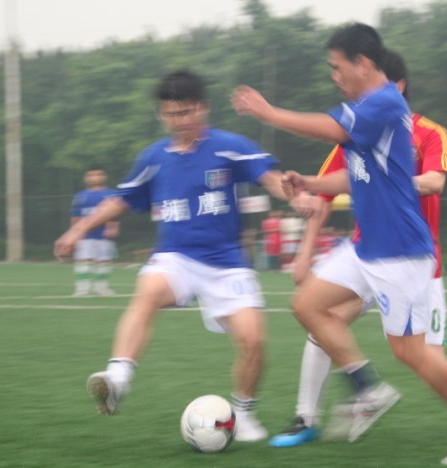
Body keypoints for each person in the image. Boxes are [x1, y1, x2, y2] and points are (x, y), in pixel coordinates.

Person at [232, 24, 447, 464]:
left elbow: (329, 128)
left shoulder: (384, 103)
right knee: (307, 306)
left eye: (338, 67)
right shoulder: (367, 110)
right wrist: (310, 181)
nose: (334, 76)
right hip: (366, 247)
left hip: (401, 251)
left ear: (364, 64)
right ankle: (367, 388)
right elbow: (354, 177)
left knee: (413, 354)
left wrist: (269, 113)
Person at [54, 70, 290, 442]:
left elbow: (270, 177)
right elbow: (120, 201)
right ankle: (118, 378)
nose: (179, 121)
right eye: (170, 114)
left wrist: (296, 195)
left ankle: (243, 414)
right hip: (175, 257)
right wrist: (77, 229)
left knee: (254, 341)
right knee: (148, 290)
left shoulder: (230, 146)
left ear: (203, 108)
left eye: (186, 112)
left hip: (227, 263)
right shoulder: (153, 158)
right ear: (160, 114)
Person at [69, 166, 120, 296]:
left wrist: (113, 227)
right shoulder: (80, 196)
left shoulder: (111, 194)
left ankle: (101, 288)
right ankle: (82, 289)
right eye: (91, 175)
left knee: (104, 260)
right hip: (85, 235)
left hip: (103, 234)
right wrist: (74, 233)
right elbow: (76, 216)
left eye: (98, 174)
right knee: (83, 259)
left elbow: (115, 213)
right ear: (85, 178)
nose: (94, 177)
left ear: (104, 177)